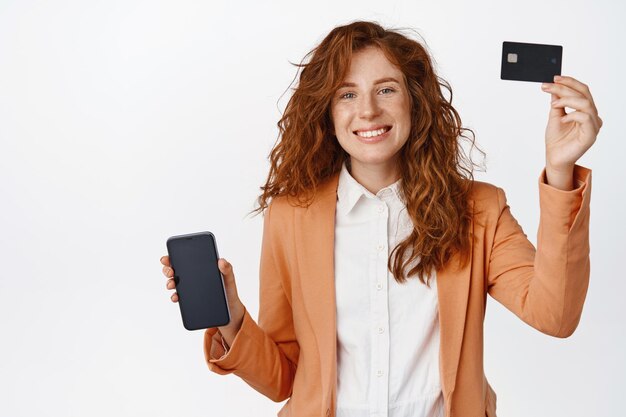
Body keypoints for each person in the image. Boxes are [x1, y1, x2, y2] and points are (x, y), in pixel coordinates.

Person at [160, 21, 602, 417]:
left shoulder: (477, 209)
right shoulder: (291, 216)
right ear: (327, 112)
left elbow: (555, 315)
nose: (367, 110)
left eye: (386, 89)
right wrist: (231, 316)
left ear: (416, 102)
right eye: (347, 94)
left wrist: (560, 171)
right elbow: (283, 380)